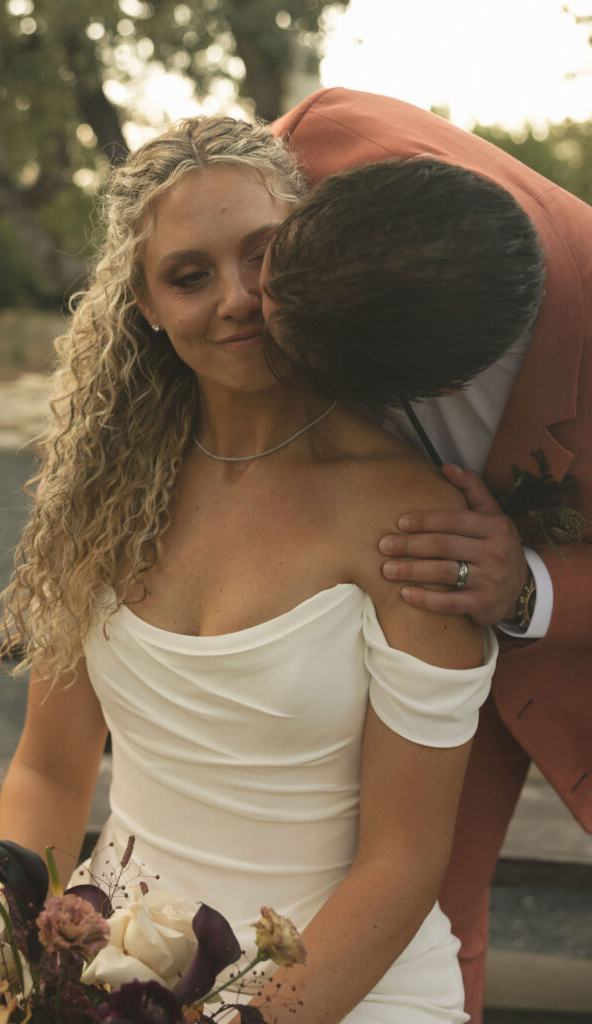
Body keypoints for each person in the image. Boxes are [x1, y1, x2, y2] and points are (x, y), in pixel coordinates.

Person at [0, 116, 502, 1023]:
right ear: (145, 303)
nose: (239, 299)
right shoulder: (98, 496)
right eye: (189, 276)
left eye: (265, 258)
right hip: (117, 974)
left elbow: (403, 863)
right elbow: (51, 772)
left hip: (345, 984)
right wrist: (12, 959)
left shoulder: (415, 520)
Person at [270, 87, 592, 1022]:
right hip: (343, 605)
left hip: (537, 650)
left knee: (433, 931)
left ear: (445, 383)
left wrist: (524, 588)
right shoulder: (310, 146)